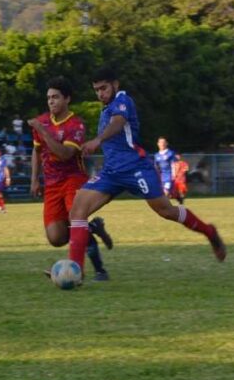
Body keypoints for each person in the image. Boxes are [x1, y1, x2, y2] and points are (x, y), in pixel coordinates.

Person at [66, 67, 225, 279]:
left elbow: (119, 122)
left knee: (166, 211)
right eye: (96, 90)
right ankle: (75, 271)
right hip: (111, 172)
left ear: (115, 84)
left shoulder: (124, 100)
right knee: (77, 210)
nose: (100, 94)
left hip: (136, 168)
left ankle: (209, 232)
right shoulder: (105, 108)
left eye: (103, 88)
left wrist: (98, 140)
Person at [29, 76, 114, 281]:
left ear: (67, 99)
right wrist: (34, 178)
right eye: (49, 97)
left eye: (56, 97)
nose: (51, 101)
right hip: (51, 184)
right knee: (56, 238)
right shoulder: (42, 121)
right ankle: (93, 227)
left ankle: (92, 270)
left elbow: (65, 154)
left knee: (75, 220)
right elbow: (37, 150)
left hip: (73, 180)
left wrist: (43, 131)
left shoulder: (75, 125)